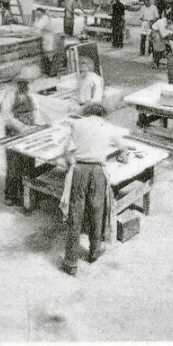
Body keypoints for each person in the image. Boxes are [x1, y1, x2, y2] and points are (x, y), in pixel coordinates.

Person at [57, 116, 121, 275]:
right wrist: (122, 152)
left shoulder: (77, 124)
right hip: (98, 171)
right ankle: (94, 252)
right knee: (97, 212)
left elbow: (65, 151)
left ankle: (71, 263)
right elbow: (123, 145)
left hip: (80, 170)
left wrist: (71, 162)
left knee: (75, 215)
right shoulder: (107, 126)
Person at [1, 65, 46, 206]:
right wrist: (22, 127)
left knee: (28, 162)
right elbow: (8, 117)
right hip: (14, 132)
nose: (25, 85)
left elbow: (36, 110)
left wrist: (36, 124)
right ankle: (11, 194)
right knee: (14, 164)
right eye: (22, 82)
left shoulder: (31, 95)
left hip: (29, 130)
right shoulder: (10, 96)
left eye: (27, 82)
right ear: (17, 82)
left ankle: (27, 192)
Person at [33, 8, 61, 76]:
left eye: (38, 13)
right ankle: (49, 72)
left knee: (50, 54)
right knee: (47, 54)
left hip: (49, 37)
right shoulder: (40, 19)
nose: (37, 14)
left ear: (42, 13)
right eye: (36, 13)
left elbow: (39, 26)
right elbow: (35, 27)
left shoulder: (45, 18)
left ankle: (53, 72)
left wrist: (36, 20)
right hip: (45, 37)